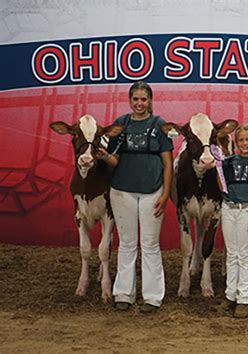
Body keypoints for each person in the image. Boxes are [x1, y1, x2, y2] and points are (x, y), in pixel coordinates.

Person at [97, 81, 173, 313]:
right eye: (135, 99)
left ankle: (152, 297)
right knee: (127, 243)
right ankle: (124, 294)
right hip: (122, 190)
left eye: (144, 99)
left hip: (153, 190)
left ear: (150, 100)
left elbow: (168, 163)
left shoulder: (159, 125)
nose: (139, 103)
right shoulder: (121, 124)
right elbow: (114, 160)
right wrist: (103, 155)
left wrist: (166, 193)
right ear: (129, 101)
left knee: (150, 244)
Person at [217, 124, 248, 318]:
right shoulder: (228, 162)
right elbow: (223, 186)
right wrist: (217, 168)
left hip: (247, 209)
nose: (244, 143)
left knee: (244, 255)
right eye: (241, 140)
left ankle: (243, 298)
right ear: (235, 142)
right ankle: (230, 295)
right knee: (231, 253)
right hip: (229, 208)